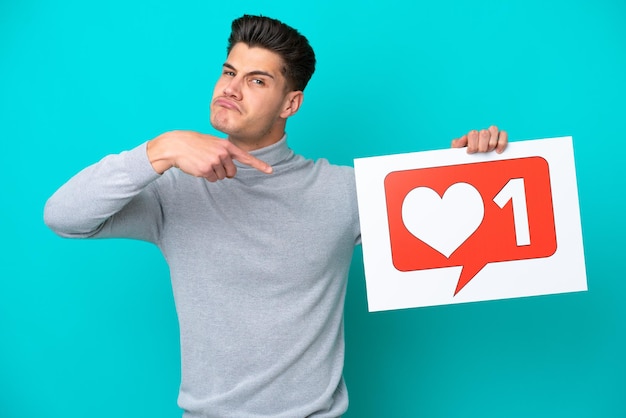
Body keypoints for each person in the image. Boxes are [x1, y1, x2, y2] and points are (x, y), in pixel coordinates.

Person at [44, 14, 508, 418]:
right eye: (229, 71)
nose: (231, 88)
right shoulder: (173, 192)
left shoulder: (344, 191)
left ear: (291, 104)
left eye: (257, 80)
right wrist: (159, 150)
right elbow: (63, 216)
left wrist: (475, 167)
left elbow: (462, 227)